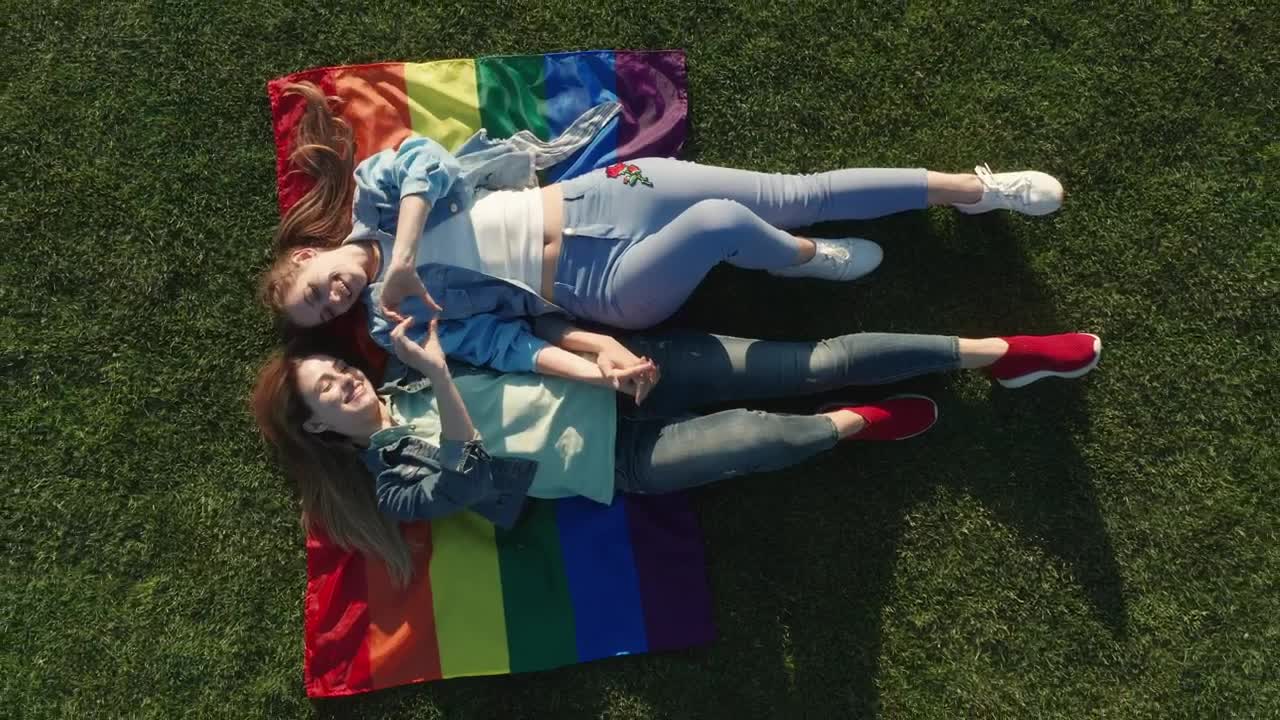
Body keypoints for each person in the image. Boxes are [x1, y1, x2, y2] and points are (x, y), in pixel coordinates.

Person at [259, 83, 1065, 375]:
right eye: (324, 312)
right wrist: (591, 354)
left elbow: (428, 164)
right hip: (599, 287)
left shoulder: (373, 192)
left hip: (599, 200)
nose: (336, 296)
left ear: (307, 253)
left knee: (797, 189)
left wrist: (400, 257)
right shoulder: (392, 323)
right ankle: (800, 260)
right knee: (723, 222)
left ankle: (971, 188)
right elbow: (496, 346)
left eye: (314, 286)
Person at [252, 315, 1101, 585]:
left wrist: (604, 353)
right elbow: (473, 481)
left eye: (332, 369)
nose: (340, 382)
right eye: (323, 393)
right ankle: (862, 424)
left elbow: (519, 327)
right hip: (619, 463)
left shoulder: (404, 356)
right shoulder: (395, 483)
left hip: (638, 374)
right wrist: (440, 379)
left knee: (811, 364)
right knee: (773, 437)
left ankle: (1003, 353)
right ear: (321, 429)